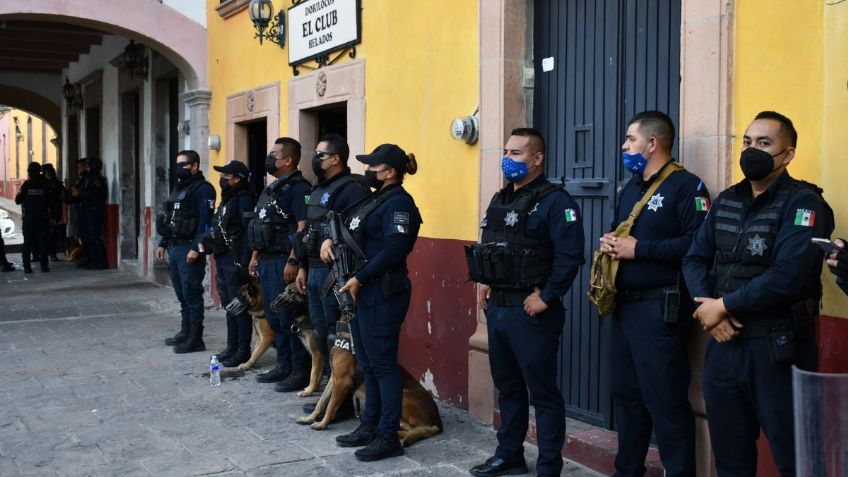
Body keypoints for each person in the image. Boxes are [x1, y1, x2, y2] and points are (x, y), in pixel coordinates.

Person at [682, 111, 834, 476]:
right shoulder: (727, 200)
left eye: (764, 143)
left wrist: (723, 306)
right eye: (748, 142)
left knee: (794, 456)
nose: (753, 150)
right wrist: (709, 309)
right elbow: (694, 258)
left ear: (788, 154)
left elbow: (787, 276)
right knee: (730, 456)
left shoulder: (805, 205)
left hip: (777, 347)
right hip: (724, 343)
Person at [466, 128, 584, 477]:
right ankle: (510, 455)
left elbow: (570, 256)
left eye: (516, 153)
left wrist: (547, 297)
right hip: (499, 308)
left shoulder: (556, 202)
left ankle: (549, 465)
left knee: (542, 391)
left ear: (537, 159)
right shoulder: (499, 199)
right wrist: (484, 282)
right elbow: (491, 246)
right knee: (509, 387)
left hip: (531, 312)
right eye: (506, 151)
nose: (508, 158)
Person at [597, 111, 705, 476]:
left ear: (652, 144)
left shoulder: (687, 186)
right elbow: (625, 234)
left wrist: (638, 250)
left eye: (630, 139)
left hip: (660, 309)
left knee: (666, 402)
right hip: (624, 309)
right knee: (627, 396)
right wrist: (612, 243)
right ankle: (628, 470)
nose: (625, 146)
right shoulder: (631, 186)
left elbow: (697, 244)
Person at [320, 143, 422, 462]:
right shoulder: (375, 199)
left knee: (382, 364)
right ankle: (370, 424)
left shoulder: (400, 204)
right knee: (366, 362)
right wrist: (327, 239)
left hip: (382, 291)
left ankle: (388, 434)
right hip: (361, 290)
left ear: (389, 171)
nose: (368, 171)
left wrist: (360, 278)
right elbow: (348, 227)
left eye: (373, 166)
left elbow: (395, 249)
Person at [300, 133, 369, 378]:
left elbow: (357, 230)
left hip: (336, 272)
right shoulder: (318, 187)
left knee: (336, 335)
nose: (315, 159)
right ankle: (329, 387)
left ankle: (341, 397)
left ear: (336, 159)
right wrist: (301, 266)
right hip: (314, 269)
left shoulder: (352, 189)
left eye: (321, 155)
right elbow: (309, 228)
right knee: (320, 332)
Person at [246, 137, 312, 391]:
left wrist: (295, 260)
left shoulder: (299, 189)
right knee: (274, 314)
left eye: (274, 154)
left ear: (288, 160)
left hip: (285, 260)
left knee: (289, 315)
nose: (269, 158)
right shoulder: (271, 188)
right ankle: (283, 364)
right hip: (266, 259)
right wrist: (254, 256)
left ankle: (299, 369)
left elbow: (303, 227)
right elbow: (260, 226)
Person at [156, 150, 216, 354]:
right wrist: (163, 243)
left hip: (189, 247)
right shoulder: (180, 188)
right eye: (177, 164)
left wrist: (196, 249)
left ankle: (196, 337)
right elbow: (172, 219)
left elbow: (205, 223)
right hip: (175, 246)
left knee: (192, 293)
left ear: (195, 166)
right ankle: (185, 331)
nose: (179, 168)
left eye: (183, 164)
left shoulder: (204, 189)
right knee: (181, 293)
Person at [200, 160, 255, 367]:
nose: (222, 180)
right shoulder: (227, 199)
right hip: (223, 258)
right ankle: (232, 346)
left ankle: (243, 349)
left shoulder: (244, 200)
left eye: (226, 176)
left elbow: (249, 233)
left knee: (238, 306)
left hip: (236, 260)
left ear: (237, 179)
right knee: (228, 305)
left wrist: (246, 261)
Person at [64, 157, 107, 269]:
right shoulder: (85, 179)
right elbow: (75, 194)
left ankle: (100, 261)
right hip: (84, 212)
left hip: (93, 212)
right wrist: (70, 189)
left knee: (94, 238)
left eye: (88, 166)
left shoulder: (97, 180)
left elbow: (95, 194)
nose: (86, 168)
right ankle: (91, 259)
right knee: (85, 237)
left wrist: (80, 193)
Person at [15, 162, 52, 273]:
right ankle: (44, 267)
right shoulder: (45, 184)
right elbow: (51, 200)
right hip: (42, 218)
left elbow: (18, 201)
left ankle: (27, 268)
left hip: (29, 218)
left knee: (27, 243)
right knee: (43, 243)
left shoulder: (26, 185)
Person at [42, 163, 64, 262]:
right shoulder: (41, 183)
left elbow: (61, 197)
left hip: (55, 212)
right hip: (44, 212)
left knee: (53, 234)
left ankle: (53, 253)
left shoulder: (57, 183)